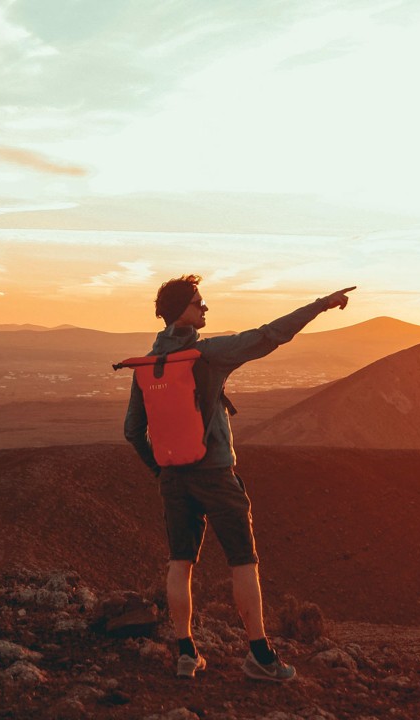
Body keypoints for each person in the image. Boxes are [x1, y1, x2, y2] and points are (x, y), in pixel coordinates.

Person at [124, 275, 354, 681]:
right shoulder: (206, 353)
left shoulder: (149, 363)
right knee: (243, 562)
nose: (206, 307)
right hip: (213, 473)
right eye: (199, 303)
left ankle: (185, 653)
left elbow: (132, 430)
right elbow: (269, 335)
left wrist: (161, 471)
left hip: (174, 479)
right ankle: (260, 657)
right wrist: (321, 304)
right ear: (183, 310)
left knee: (180, 563)